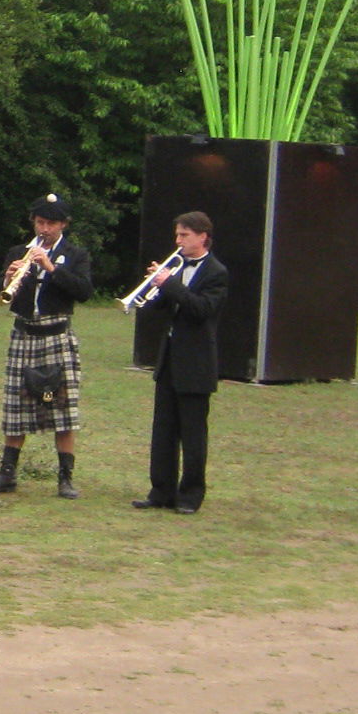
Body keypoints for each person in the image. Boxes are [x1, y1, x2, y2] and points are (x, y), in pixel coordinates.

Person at [0, 192, 95, 500]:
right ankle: (6, 474)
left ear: (63, 224)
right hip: (24, 333)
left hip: (57, 334)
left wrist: (52, 268)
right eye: (40, 222)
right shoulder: (18, 251)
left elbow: (83, 291)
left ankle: (65, 478)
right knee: (16, 407)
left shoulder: (76, 254)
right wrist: (8, 278)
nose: (44, 229)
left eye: (51, 223)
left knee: (62, 409)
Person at [132, 211, 229, 515]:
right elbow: (158, 309)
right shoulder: (177, 269)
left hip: (196, 363)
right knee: (163, 430)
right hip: (170, 360)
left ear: (202, 236)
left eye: (184, 235)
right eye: (177, 235)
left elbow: (201, 309)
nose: (178, 241)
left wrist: (170, 284)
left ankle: (190, 495)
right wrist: (155, 286)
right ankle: (160, 490)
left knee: (192, 433)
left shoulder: (216, 272)